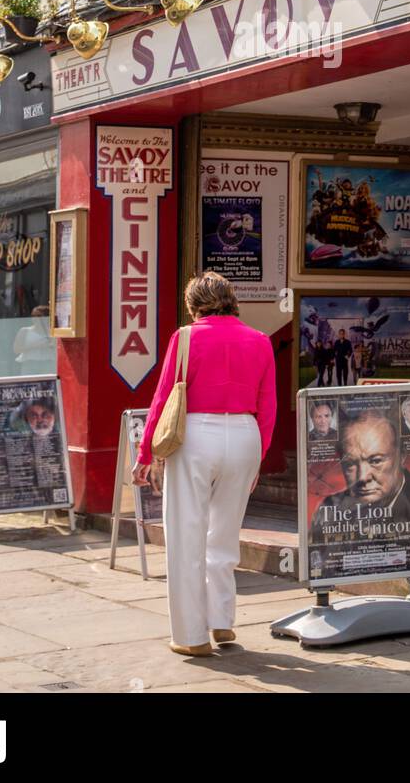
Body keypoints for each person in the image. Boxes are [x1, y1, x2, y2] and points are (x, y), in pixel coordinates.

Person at [132, 271, 276, 658]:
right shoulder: (260, 341)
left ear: (192, 305)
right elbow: (269, 404)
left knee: (186, 536)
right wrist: (259, 453)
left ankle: (191, 635)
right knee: (225, 535)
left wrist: (146, 454)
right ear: (232, 300)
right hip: (245, 434)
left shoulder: (186, 337)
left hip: (196, 433)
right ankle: (222, 620)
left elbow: (164, 399)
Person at [312, 408, 410, 530]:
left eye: (376, 461)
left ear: (401, 456)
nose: (362, 477)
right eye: (350, 463)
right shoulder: (330, 508)